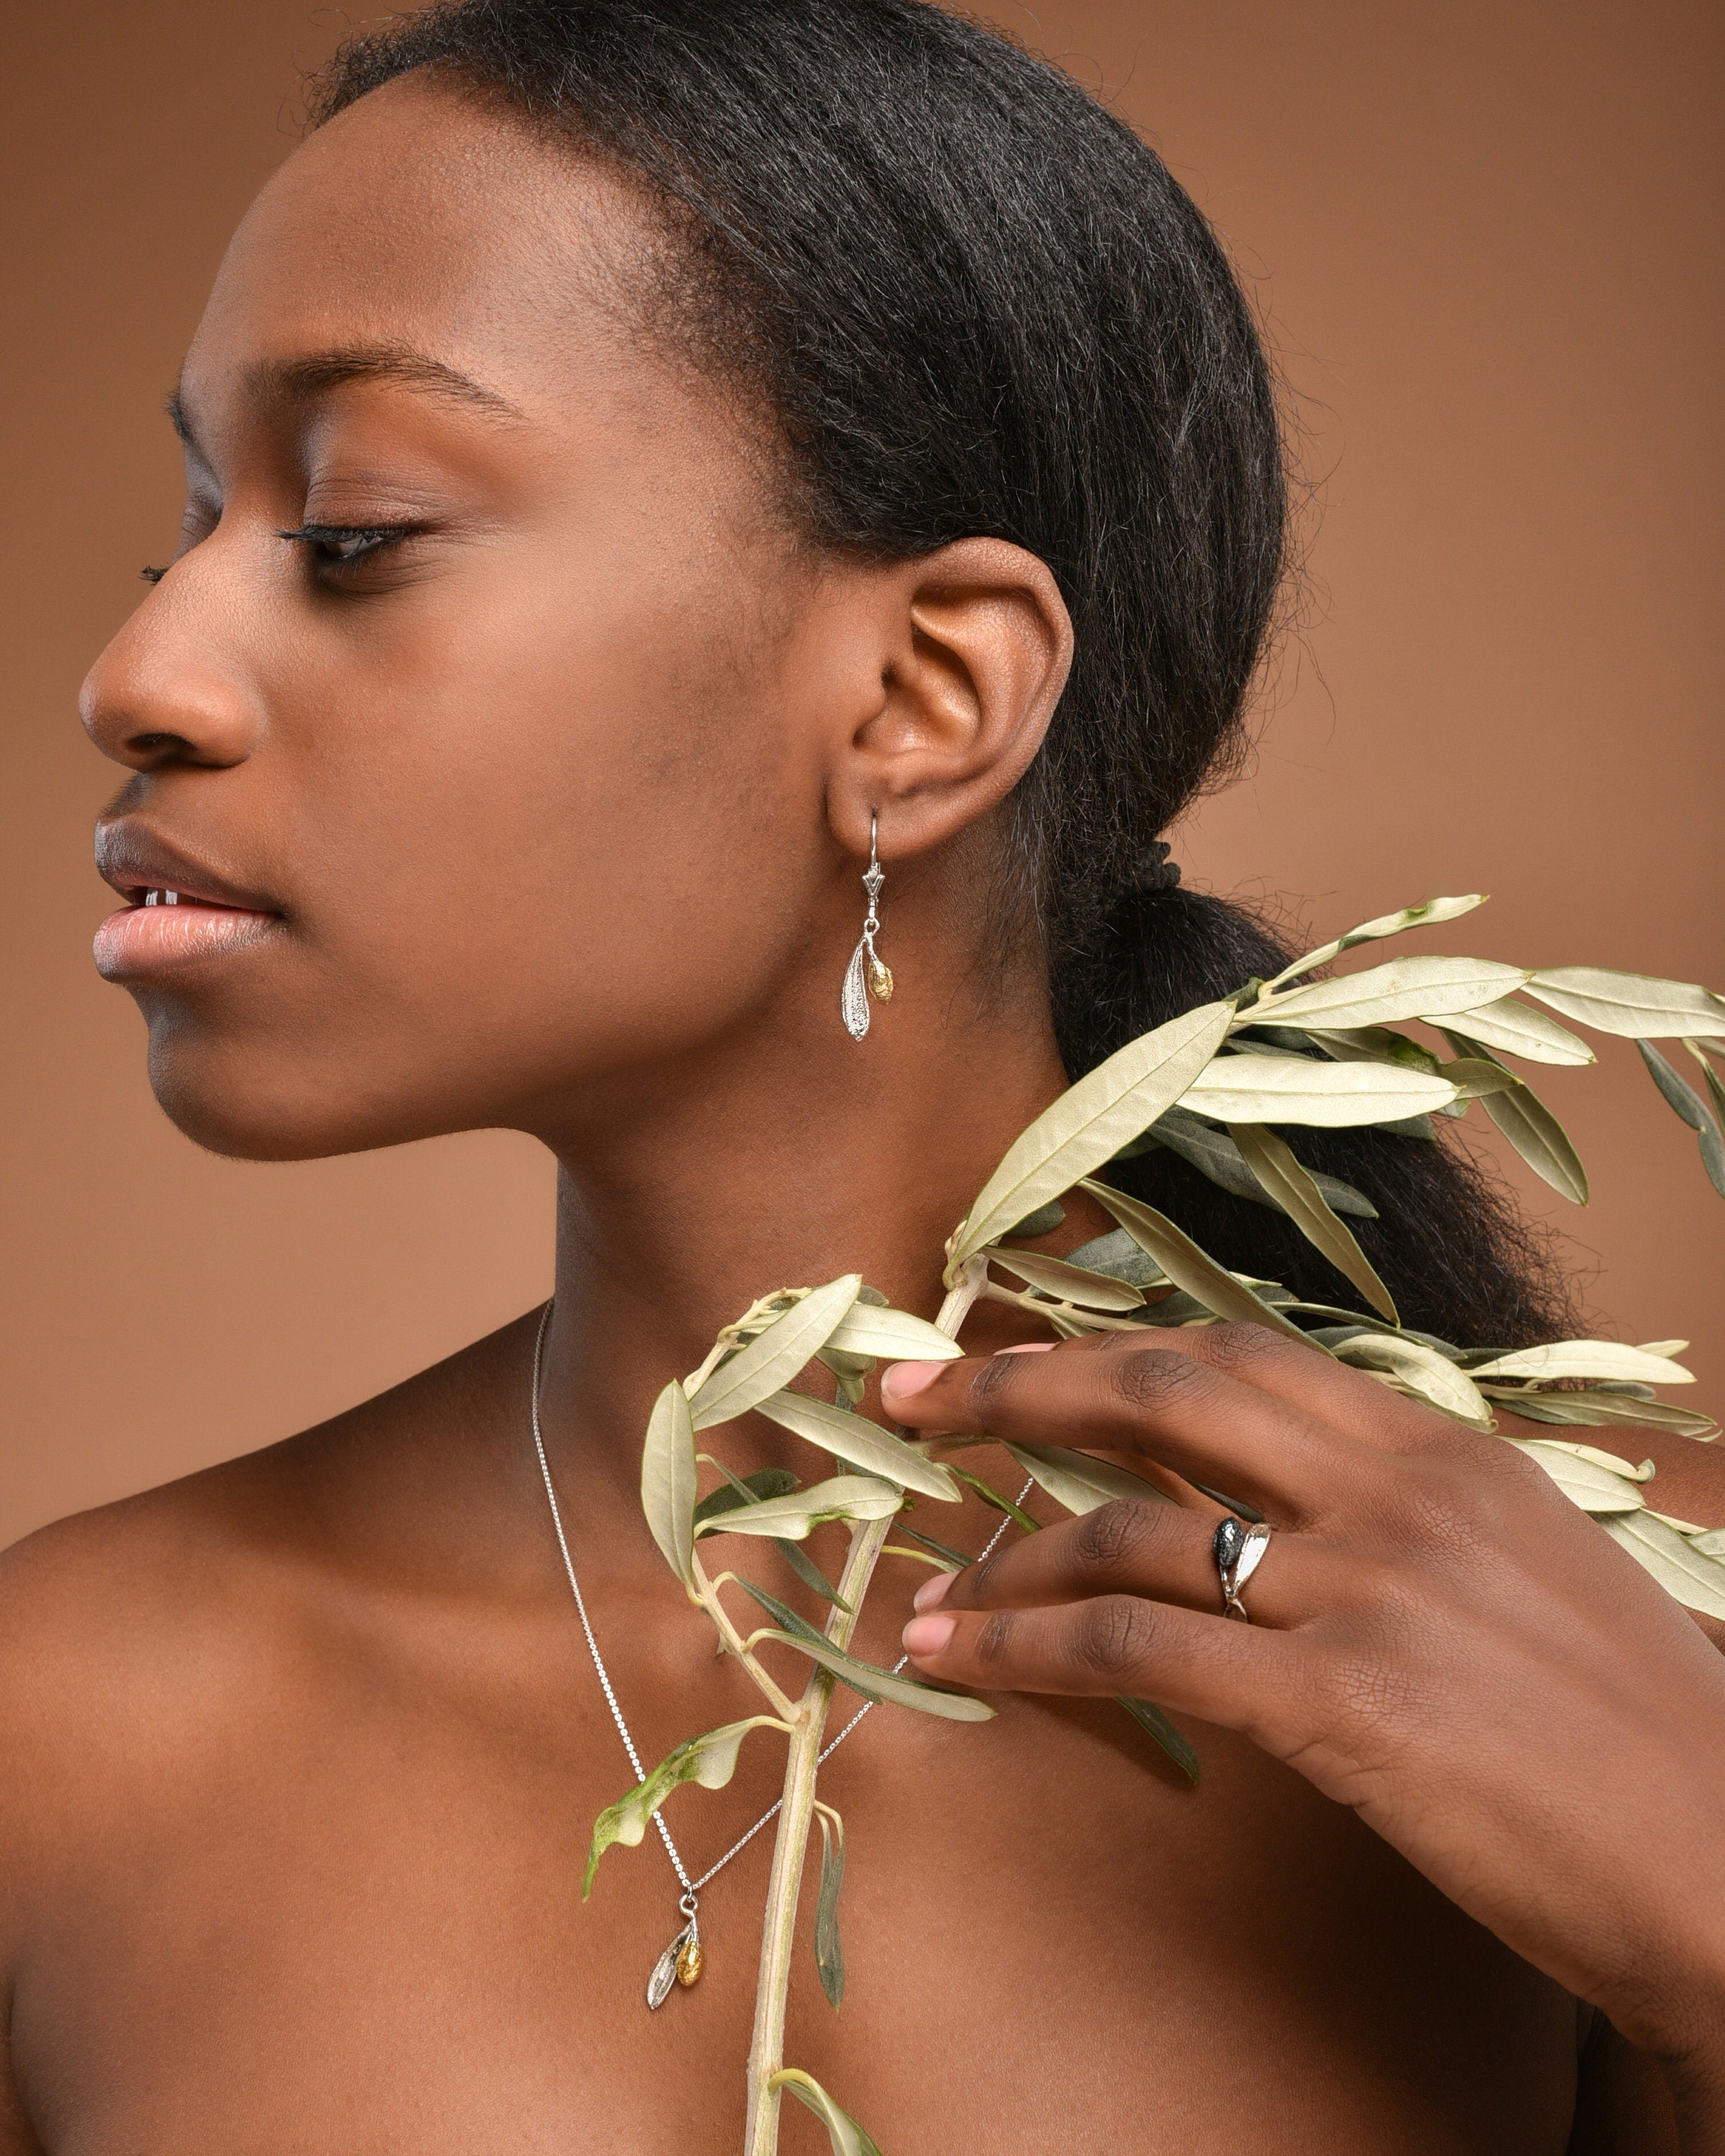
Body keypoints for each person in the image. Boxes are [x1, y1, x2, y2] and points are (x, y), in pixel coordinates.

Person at [5, 1, 1722, 2147]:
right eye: (187, 527)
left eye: (353, 531)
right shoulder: (64, 1734)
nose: (139, 673)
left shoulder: (1622, 1639)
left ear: (921, 702)